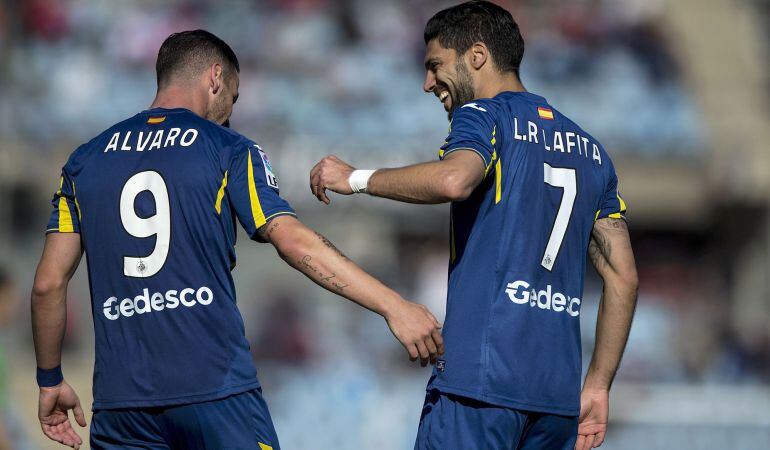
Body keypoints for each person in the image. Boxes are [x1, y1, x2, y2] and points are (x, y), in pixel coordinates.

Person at [31, 29, 443, 450]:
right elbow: (294, 242)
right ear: (215, 77)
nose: (231, 111)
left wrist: (50, 379)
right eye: (234, 96)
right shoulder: (227, 147)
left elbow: (48, 285)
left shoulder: (84, 161)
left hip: (122, 406)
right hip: (215, 389)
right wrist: (393, 305)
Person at [309, 2, 639, 449]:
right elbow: (624, 277)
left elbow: (453, 179)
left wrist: (356, 178)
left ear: (477, 56)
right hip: (556, 403)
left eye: (435, 66)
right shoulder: (592, 152)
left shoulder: (485, 115)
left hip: (479, 389)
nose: (427, 83)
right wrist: (598, 385)